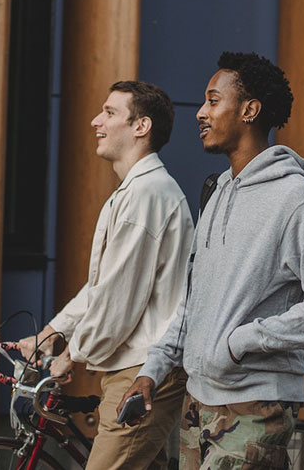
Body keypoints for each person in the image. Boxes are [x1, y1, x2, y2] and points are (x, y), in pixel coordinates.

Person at [121, 52, 304, 469]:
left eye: (213, 101)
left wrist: (241, 342)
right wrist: (153, 370)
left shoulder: (296, 199)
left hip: (255, 403)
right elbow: (195, 300)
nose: (200, 112)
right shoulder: (216, 193)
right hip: (198, 402)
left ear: (249, 110)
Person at [19, 81, 193, 470]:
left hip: (144, 369)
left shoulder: (147, 194)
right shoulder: (136, 191)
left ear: (141, 126)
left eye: (110, 112)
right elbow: (105, 286)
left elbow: (118, 298)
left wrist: (71, 354)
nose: (96, 121)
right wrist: (51, 332)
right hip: (131, 365)